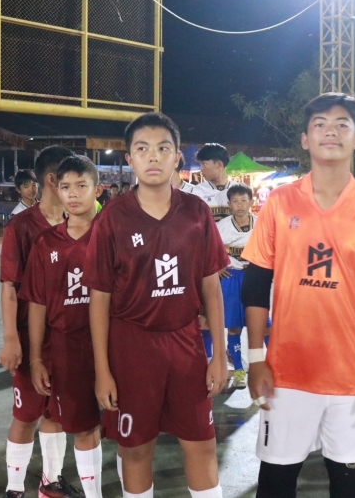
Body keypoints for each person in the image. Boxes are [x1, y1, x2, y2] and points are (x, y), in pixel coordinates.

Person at [241, 93, 355, 498]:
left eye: (342, 124)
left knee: (350, 480)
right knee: (276, 481)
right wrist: (256, 358)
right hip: (286, 372)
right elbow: (256, 283)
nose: (330, 131)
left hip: (352, 374)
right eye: (320, 124)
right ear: (305, 139)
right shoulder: (280, 203)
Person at [84, 112, 228, 498]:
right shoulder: (112, 218)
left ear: (177, 157)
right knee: (136, 450)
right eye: (142, 148)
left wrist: (219, 355)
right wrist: (103, 370)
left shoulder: (196, 213)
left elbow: (211, 287)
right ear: (129, 158)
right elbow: (99, 299)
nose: (153, 156)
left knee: (202, 444)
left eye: (163, 148)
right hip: (132, 346)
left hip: (186, 344)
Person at [19, 156, 104, 498]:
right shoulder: (46, 243)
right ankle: (66, 487)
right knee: (77, 423)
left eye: (82, 186)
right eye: (66, 187)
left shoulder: (114, 234)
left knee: (117, 428)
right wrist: (36, 358)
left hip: (113, 344)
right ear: (56, 189)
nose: (73, 194)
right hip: (66, 347)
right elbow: (37, 303)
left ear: (97, 190)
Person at [0, 145, 76, 498]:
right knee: (26, 414)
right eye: (70, 180)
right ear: (53, 180)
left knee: (56, 412)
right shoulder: (22, 226)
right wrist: (11, 338)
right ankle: (14, 488)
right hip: (32, 337)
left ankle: (51, 482)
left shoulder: (80, 223)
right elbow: (9, 287)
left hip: (69, 337)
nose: (76, 188)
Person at [216, 184, 270, 389]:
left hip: (255, 276)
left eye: (243, 200)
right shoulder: (222, 226)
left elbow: (271, 247)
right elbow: (210, 248)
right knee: (234, 326)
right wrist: (217, 266)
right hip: (232, 276)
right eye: (235, 201)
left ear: (251, 202)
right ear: (229, 204)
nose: (239, 205)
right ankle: (239, 369)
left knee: (265, 325)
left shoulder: (262, 223)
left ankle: (272, 365)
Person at [193, 142, 243, 359]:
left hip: (234, 267)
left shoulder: (239, 191)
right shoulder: (197, 192)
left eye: (204, 164)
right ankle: (209, 359)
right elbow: (196, 232)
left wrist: (229, 259)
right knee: (205, 316)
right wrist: (214, 261)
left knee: (234, 318)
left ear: (219, 165)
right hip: (208, 265)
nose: (201, 169)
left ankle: (233, 355)